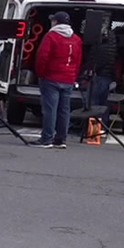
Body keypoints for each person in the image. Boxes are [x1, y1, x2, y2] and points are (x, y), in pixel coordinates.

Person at [34, 10, 82, 148]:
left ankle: (46, 139)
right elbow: (78, 60)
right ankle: (61, 139)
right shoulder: (76, 39)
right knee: (64, 110)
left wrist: (41, 74)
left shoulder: (51, 36)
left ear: (55, 22)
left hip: (51, 77)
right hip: (68, 78)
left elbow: (42, 57)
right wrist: (74, 76)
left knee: (50, 110)